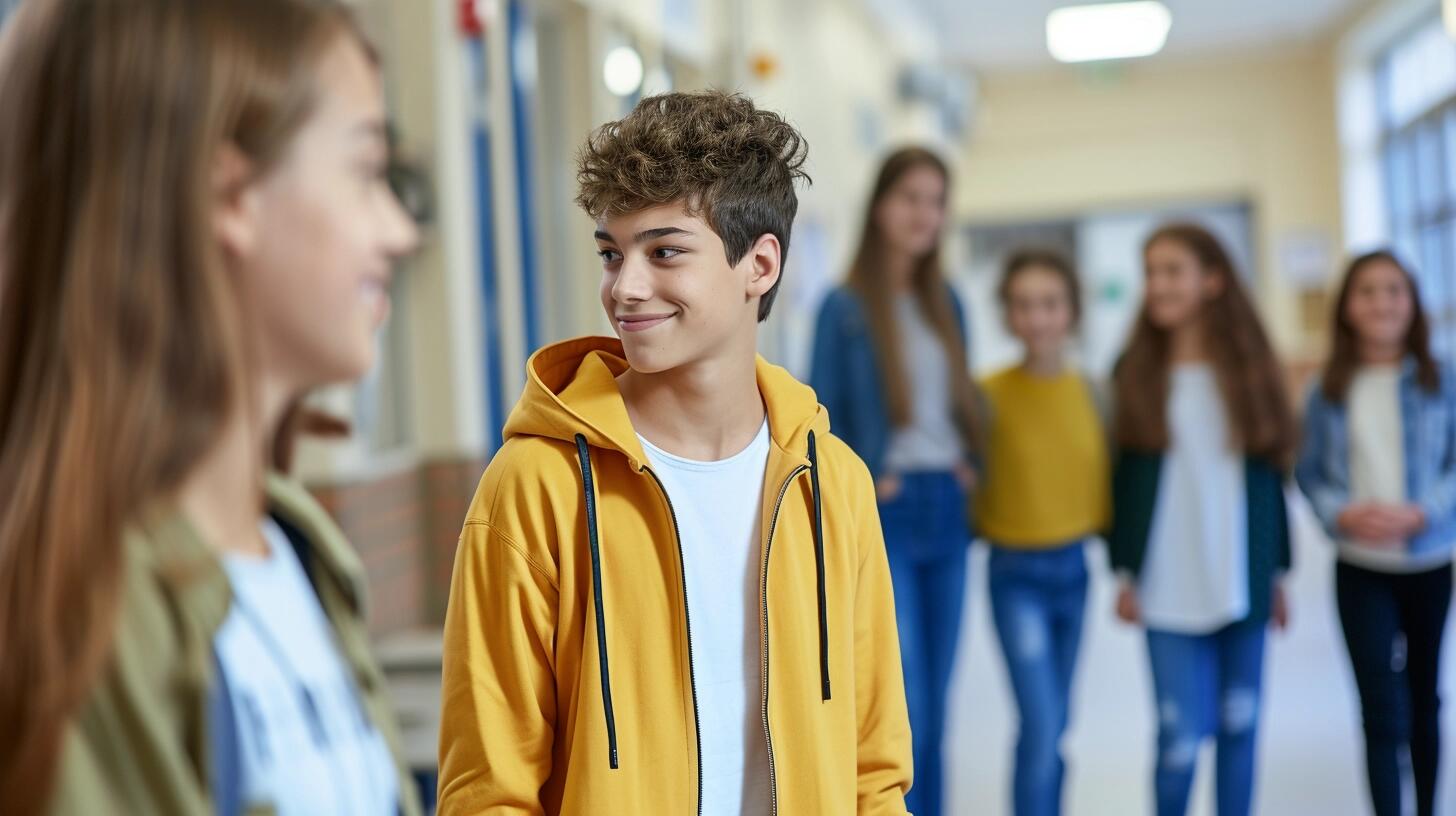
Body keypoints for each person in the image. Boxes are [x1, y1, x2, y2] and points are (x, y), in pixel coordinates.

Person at [437, 91, 912, 815]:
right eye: (610, 254)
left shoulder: (831, 482)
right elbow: (488, 789)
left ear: (760, 264)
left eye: (663, 252)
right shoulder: (535, 486)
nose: (624, 288)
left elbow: (873, 771)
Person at [0, 1, 422, 813]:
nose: (399, 232)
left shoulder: (300, 551)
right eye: (367, 172)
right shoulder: (83, 609)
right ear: (228, 196)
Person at [809, 146, 978, 816]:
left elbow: (960, 400)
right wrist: (865, 482)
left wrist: (972, 462)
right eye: (911, 197)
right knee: (904, 703)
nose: (924, 214)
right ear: (880, 206)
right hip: (889, 509)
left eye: (936, 201)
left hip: (949, 505)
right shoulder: (843, 307)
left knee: (939, 699)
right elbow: (817, 417)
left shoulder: (949, 303)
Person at [1108, 223, 1295, 816]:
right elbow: (1123, 483)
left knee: (1240, 728)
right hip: (1166, 587)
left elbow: (1271, 481)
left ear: (1212, 280)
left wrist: (1279, 573)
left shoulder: (1252, 372)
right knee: (1179, 743)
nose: (1157, 285)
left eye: (1172, 271)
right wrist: (1126, 572)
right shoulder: (1134, 373)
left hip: (1242, 579)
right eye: (1151, 273)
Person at [1295, 250, 1456, 816]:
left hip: (1430, 562)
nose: (1381, 303)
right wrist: (1341, 512)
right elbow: (1309, 471)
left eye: (1393, 290)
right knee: (1379, 708)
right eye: (1367, 291)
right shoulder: (1325, 388)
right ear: (1347, 306)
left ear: (1412, 303)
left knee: (1424, 698)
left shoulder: (1445, 378)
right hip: (1361, 566)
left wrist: (1425, 512)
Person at [976, 249, 1108, 816]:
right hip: (1014, 575)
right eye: (1024, 305)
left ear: (1071, 312)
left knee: (1057, 726)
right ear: (1008, 315)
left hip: (1075, 572)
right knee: (1042, 722)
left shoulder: (1095, 393)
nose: (1038, 318)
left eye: (1050, 304)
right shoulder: (987, 395)